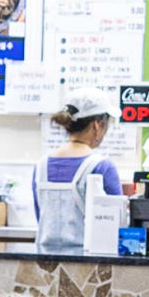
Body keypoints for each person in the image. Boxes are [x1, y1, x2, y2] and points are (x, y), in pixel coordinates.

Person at [32, 93, 129, 252]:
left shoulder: (41, 166)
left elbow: (40, 216)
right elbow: (118, 224)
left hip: (45, 262)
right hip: (88, 264)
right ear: (97, 125)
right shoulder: (103, 167)